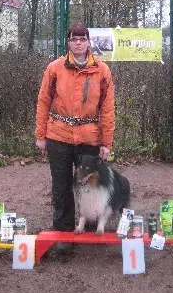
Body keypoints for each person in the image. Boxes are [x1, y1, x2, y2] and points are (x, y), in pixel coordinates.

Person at [35, 21, 115, 254]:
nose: (78, 43)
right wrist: (41, 135)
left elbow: (107, 109)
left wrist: (106, 142)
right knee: (61, 187)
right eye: (74, 39)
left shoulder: (102, 70)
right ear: (68, 43)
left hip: (89, 137)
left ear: (89, 42)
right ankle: (63, 234)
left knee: (91, 186)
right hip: (58, 135)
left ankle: (90, 229)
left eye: (82, 39)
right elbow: (43, 102)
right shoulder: (54, 68)